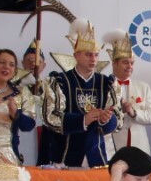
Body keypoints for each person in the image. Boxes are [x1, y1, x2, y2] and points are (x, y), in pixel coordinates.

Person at [42, 22, 121, 166]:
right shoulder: (60, 81)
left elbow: (118, 120)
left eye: (96, 55)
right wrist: (83, 120)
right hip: (65, 156)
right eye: (88, 55)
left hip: (98, 156)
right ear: (76, 55)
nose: (93, 59)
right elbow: (50, 118)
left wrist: (107, 120)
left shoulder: (106, 83)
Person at [106, 33, 151, 158]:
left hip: (140, 147)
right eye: (125, 62)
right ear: (114, 63)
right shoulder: (104, 86)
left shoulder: (143, 87)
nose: (130, 66)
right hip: (113, 147)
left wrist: (134, 113)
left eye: (132, 63)